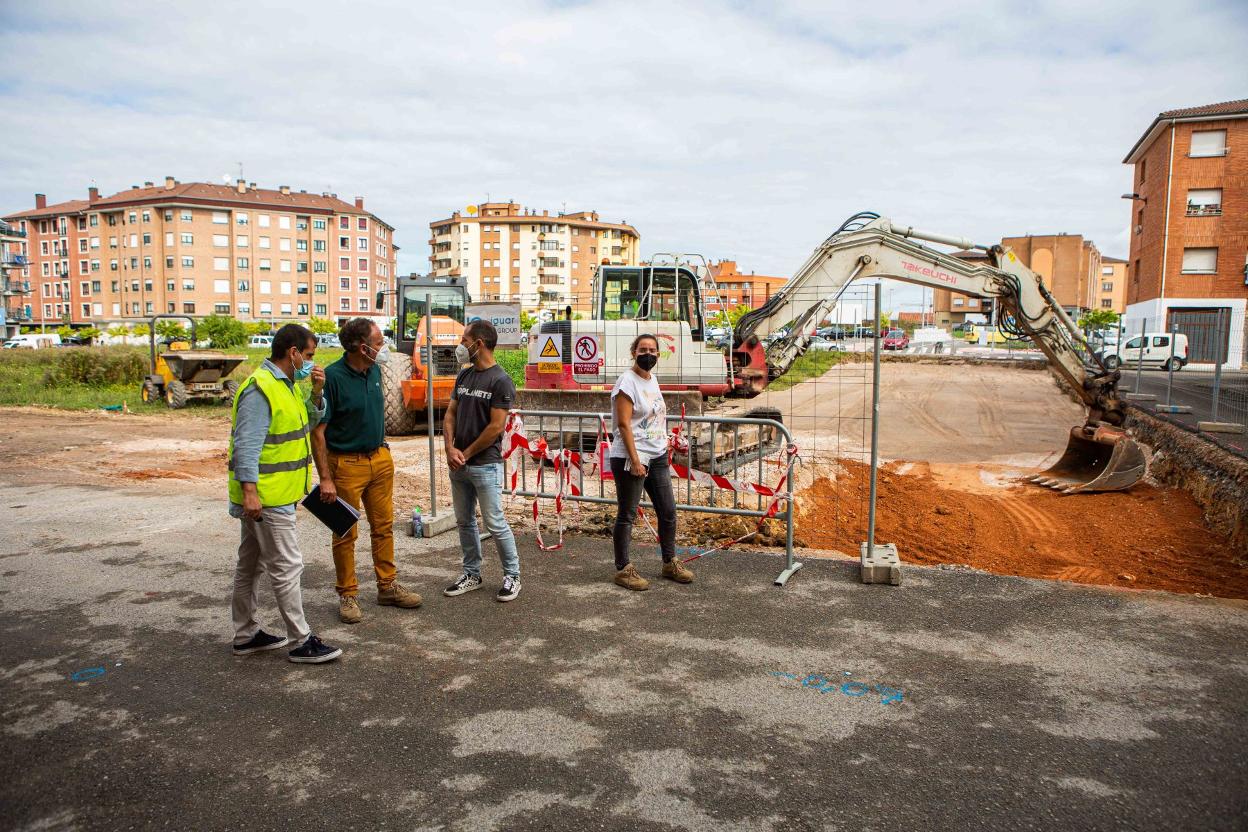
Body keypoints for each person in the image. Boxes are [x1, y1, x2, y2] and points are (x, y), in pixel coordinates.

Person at [228, 323, 342, 664]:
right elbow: (246, 446)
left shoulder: (287, 385)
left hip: (277, 494)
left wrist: (318, 393)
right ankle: (300, 640)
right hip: (267, 497)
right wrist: (250, 492)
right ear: (292, 353)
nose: (310, 362)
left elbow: (308, 421)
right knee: (288, 565)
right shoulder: (260, 389)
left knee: (250, 565)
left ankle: (246, 634)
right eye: (307, 356)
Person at [311, 317, 423, 624]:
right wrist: (325, 478)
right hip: (346, 465)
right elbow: (318, 432)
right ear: (362, 348)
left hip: (380, 460)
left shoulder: (374, 369)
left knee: (384, 527)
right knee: (345, 532)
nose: (383, 347)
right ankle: (348, 594)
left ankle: (387, 586)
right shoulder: (332, 377)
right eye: (378, 343)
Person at [442, 319, 521, 602]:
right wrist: (450, 448)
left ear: (479, 344)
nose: (461, 345)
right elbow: (450, 414)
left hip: (484, 464)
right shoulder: (464, 376)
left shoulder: (500, 380)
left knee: (495, 522)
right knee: (465, 522)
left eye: (465, 340)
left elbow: (495, 428)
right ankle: (471, 573)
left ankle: (512, 576)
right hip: (459, 464)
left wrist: (466, 453)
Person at [609, 333, 693, 591]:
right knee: (627, 514)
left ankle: (670, 562)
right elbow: (624, 424)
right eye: (643, 349)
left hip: (656, 456)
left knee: (667, 511)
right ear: (633, 352)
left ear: (658, 354)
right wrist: (635, 461)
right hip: (631, 457)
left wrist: (667, 442)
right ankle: (623, 569)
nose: (648, 354)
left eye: (653, 350)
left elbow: (654, 418)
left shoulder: (652, 379)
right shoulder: (627, 382)